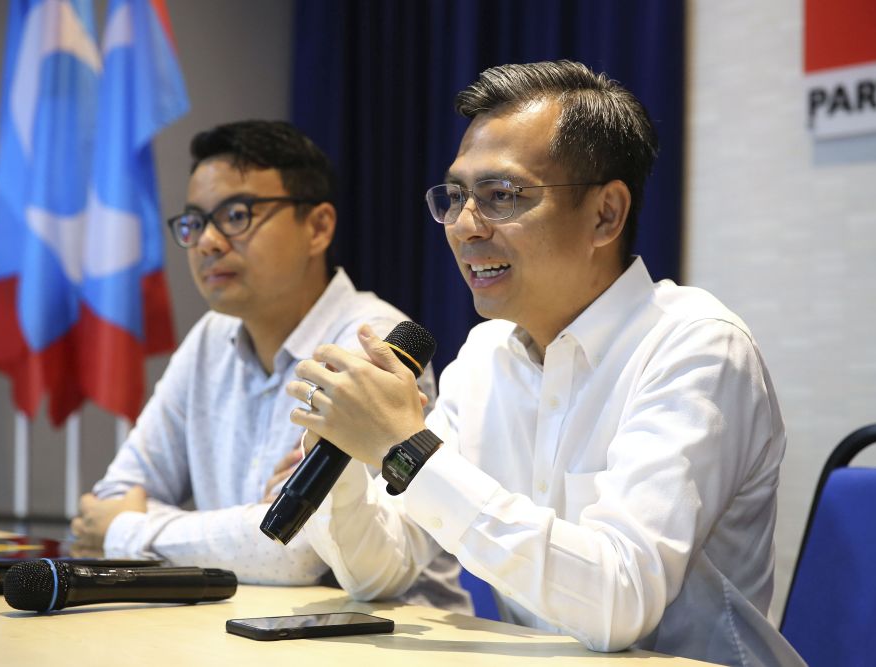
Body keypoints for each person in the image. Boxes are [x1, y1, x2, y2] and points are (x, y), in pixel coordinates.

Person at [287, 61, 806, 666]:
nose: (464, 226)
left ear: (606, 214)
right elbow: (383, 571)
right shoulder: (486, 355)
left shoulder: (697, 347)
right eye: (456, 197)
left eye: (501, 197)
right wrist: (348, 451)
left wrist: (409, 450)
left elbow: (620, 604)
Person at [70, 120, 468, 613]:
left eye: (236, 215)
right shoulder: (210, 338)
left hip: (385, 644)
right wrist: (224, 531)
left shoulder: (374, 341)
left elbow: (295, 549)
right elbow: (115, 493)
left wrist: (129, 530)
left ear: (318, 226)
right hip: (248, 629)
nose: (209, 242)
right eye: (194, 223)